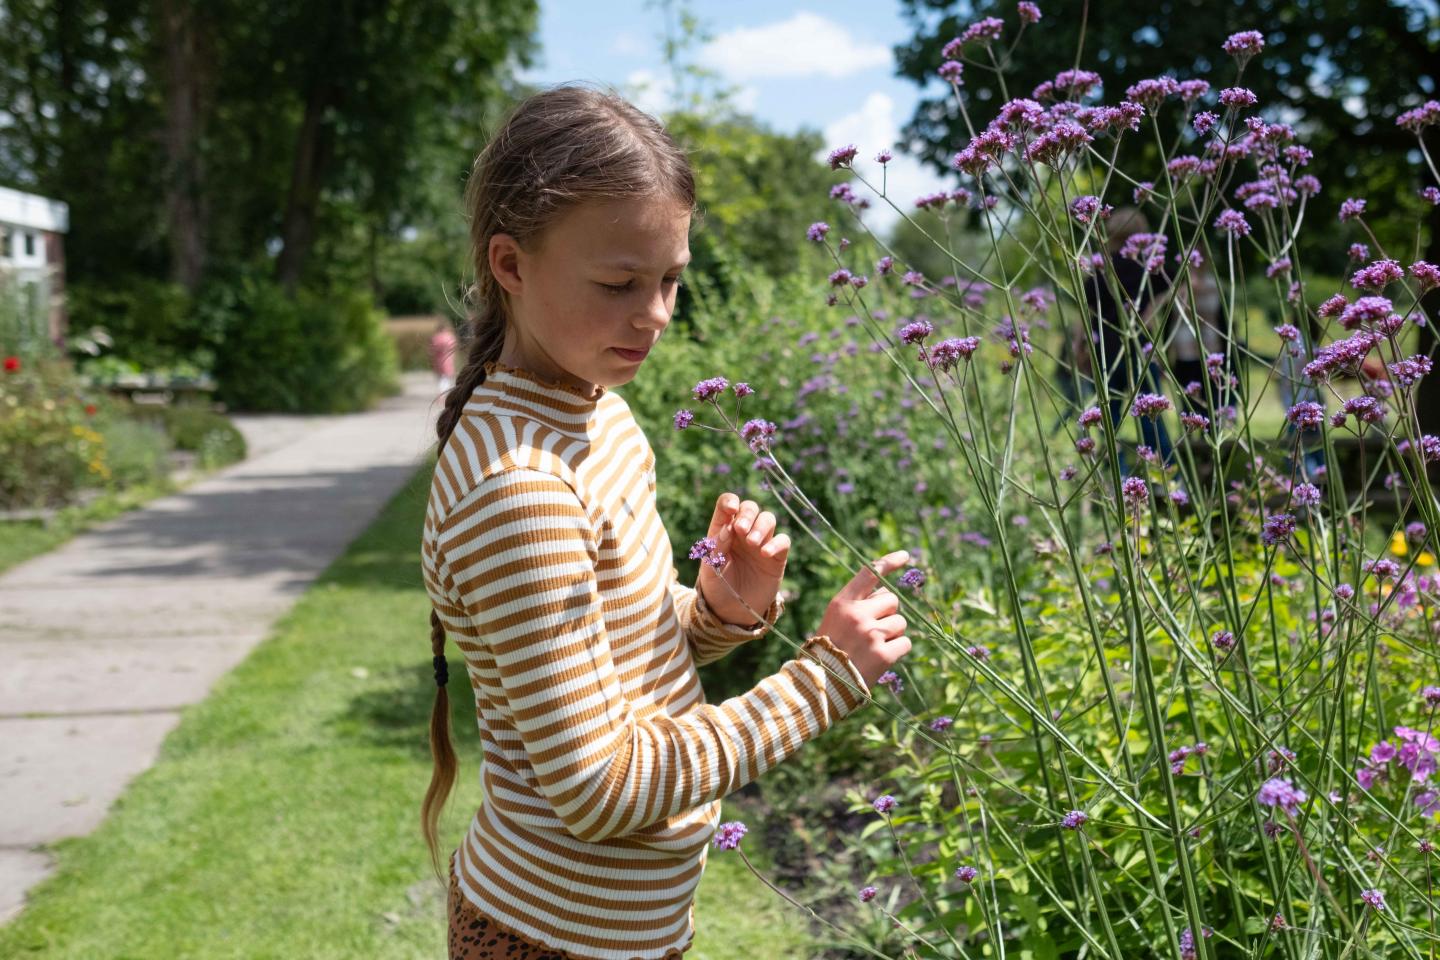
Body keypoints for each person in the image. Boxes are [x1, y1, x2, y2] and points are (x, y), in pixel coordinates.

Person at [419, 83, 914, 960]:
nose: (653, 315)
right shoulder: (522, 488)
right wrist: (824, 681)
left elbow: (625, 674)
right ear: (510, 264)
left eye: (669, 280)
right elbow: (600, 788)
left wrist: (716, 613)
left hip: (617, 931)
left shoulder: (599, 415)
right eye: (618, 283)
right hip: (553, 937)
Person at [1077, 206, 1175, 467]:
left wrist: (1081, 346)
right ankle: (1167, 477)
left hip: (1106, 350)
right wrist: (1148, 316)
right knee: (1151, 418)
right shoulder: (1146, 265)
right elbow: (1171, 287)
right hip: (1139, 346)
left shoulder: (1099, 267)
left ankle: (1116, 476)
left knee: (1107, 421)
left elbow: (1085, 311)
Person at [429, 319, 458, 393]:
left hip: (438, 359)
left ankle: (442, 392)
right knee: (446, 377)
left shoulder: (435, 337)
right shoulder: (450, 336)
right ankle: (443, 392)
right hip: (448, 359)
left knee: (441, 377)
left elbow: (431, 350)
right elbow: (454, 347)